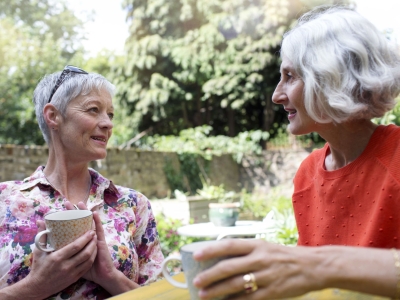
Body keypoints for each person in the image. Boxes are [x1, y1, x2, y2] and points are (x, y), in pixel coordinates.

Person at [191, 5, 400, 300]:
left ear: (331, 79)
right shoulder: (308, 173)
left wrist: (316, 265)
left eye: (290, 76)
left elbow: (315, 268)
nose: (277, 95)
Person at [0, 66, 164, 299]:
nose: (108, 123)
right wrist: (36, 286)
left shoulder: (132, 205)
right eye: (94, 110)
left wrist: (110, 276)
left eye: (110, 114)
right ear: (53, 116)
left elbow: (161, 295)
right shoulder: (4, 201)